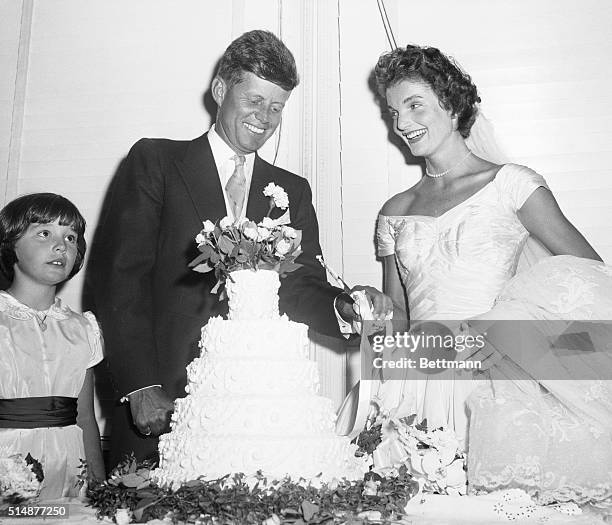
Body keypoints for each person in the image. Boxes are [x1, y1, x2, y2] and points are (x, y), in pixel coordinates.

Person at [87, 29, 391, 468]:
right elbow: (120, 280)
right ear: (219, 90)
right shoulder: (156, 162)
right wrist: (139, 385)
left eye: (277, 107)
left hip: (260, 416)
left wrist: (345, 306)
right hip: (163, 400)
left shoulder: (292, 190)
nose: (264, 117)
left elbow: (302, 287)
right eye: (254, 100)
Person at [368, 44, 612, 509]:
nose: (401, 124)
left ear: (453, 105)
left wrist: (516, 334)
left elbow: (590, 283)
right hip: (416, 384)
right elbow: (396, 313)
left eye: (414, 105)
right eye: (392, 111)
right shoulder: (394, 211)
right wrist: (369, 329)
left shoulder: (513, 185)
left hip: (496, 387)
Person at [0, 193, 105, 499]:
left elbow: (84, 417)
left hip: (70, 472)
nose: (62, 246)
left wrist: (97, 487)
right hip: (9, 468)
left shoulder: (83, 329)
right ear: (10, 243)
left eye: (71, 237)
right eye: (44, 233)